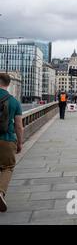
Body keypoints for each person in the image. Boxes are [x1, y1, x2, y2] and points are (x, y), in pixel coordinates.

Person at [0, 73, 24, 212]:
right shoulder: (14, 101)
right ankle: (1, 192)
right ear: (8, 84)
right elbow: (19, 125)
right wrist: (20, 143)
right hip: (6, 139)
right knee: (7, 167)